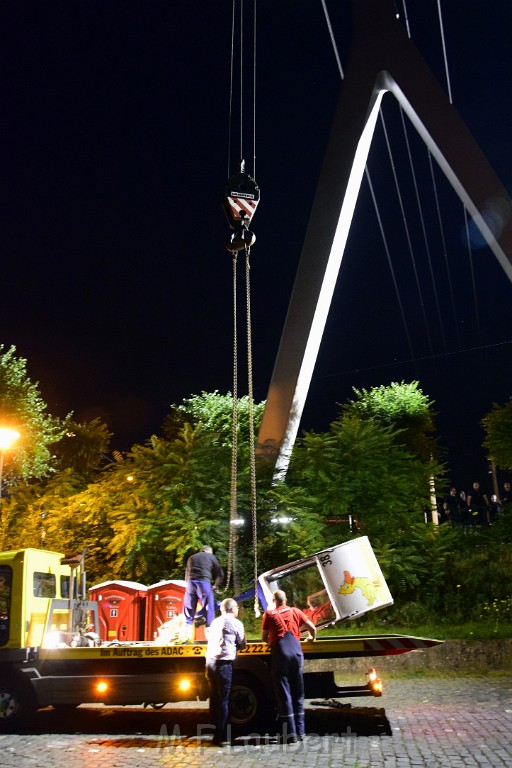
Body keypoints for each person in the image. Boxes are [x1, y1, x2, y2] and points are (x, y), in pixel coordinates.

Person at [261, 589, 316, 743]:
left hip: (281, 654)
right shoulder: (295, 611)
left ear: (273, 601)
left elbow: (264, 637)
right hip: (297, 654)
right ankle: (301, 731)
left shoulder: (269, 614)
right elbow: (313, 628)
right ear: (285, 600)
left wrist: (271, 642)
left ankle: (290, 733)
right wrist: (311, 638)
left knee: (284, 693)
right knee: (298, 693)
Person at [205, 597, 246, 746]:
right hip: (223, 664)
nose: (237, 610)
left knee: (214, 699)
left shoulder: (214, 622)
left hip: (210, 663)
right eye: (236, 608)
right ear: (232, 609)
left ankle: (215, 734)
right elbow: (242, 644)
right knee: (224, 700)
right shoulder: (236, 623)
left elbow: (209, 637)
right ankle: (223, 737)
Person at [184, 545, 223, 638]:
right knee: (208, 608)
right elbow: (220, 574)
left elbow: (186, 574)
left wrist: (189, 585)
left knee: (189, 608)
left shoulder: (191, 557)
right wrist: (215, 586)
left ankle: (186, 636)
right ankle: (210, 636)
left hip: (190, 583)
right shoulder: (211, 556)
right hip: (203, 583)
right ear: (209, 552)